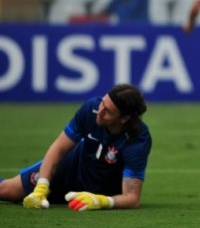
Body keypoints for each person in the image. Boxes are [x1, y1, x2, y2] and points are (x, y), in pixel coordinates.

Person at [0, 84, 152, 211]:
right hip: (70, 166)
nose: (100, 111)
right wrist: (42, 186)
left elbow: (132, 198)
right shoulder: (90, 109)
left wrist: (102, 201)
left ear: (124, 119)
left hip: (100, 190)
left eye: (108, 111)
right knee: (6, 190)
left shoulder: (137, 139)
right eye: (103, 103)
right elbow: (59, 148)